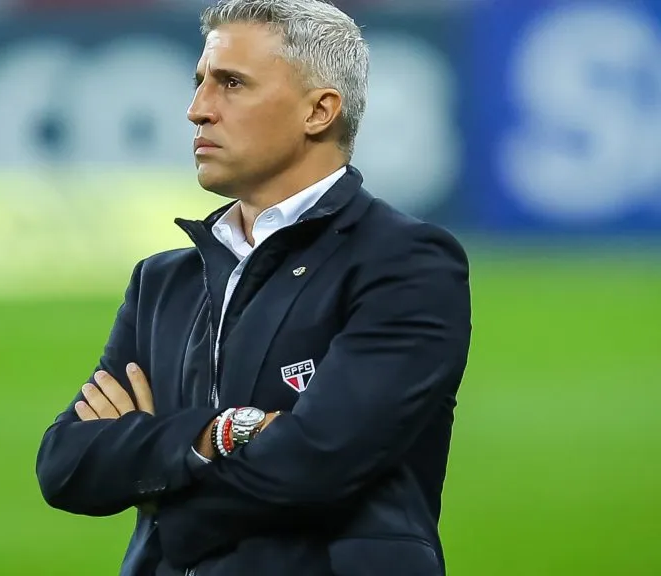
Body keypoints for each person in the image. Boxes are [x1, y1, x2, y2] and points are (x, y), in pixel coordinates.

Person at [35, 1, 472, 574]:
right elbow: (65, 464)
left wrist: (163, 488)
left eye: (232, 84)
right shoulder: (163, 283)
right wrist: (219, 434)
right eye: (199, 82)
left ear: (319, 111)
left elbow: (317, 461)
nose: (197, 110)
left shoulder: (404, 262)